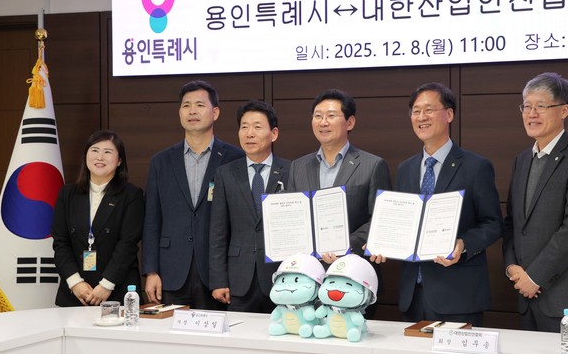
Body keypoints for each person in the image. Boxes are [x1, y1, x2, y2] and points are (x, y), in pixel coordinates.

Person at [380, 82, 503, 327]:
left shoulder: (476, 166)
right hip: (413, 295)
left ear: (449, 114)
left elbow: (493, 223)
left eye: (428, 110)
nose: (421, 117)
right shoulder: (405, 169)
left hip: (458, 295)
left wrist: (463, 244)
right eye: (416, 111)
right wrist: (383, 241)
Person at [502, 72, 568, 334]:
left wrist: (535, 277)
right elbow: (512, 223)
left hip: (565, 299)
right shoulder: (522, 160)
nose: (531, 114)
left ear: (564, 110)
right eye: (527, 106)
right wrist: (511, 267)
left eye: (541, 106)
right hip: (525, 295)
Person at [287, 89, 392, 316]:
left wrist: (345, 245)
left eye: (331, 115)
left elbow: (380, 219)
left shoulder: (372, 165)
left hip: (353, 280)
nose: (323, 122)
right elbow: (293, 218)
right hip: (306, 281)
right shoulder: (297, 167)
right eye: (318, 116)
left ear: (350, 122)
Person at [142, 80, 243, 310]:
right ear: (179, 112)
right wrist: (151, 270)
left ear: (215, 113)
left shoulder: (234, 158)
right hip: (170, 270)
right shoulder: (161, 161)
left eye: (199, 105)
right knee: (171, 332)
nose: (192, 111)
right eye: (186, 105)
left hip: (217, 274)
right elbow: (151, 221)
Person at [209, 100, 290, 313]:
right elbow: (218, 230)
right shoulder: (225, 173)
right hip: (238, 279)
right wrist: (218, 280)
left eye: (257, 127)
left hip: (281, 277)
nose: (249, 133)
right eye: (244, 127)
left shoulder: (291, 170)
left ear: (273, 134)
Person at [52, 130, 144, 307]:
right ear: (86, 155)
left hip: (117, 290)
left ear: (119, 161)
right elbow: (60, 243)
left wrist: (107, 284)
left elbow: (128, 244)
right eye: (94, 150)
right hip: (76, 292)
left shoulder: (131, 195)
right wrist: (75, 282)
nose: (100, 157)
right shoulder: (67, 194)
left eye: (108, 152)